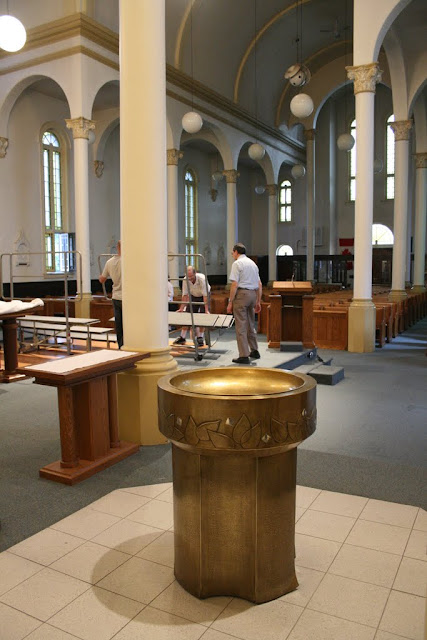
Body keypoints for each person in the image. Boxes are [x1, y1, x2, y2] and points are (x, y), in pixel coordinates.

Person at [227, 243, 262, 364]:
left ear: (236, 252)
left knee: (241, 325)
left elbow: (235, 284)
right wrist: (258, 301)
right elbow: (259, 284)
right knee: (250, 324)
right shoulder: (253, 264)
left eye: (232, 252)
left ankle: (244, 355)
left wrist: (230, 302)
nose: (232, 254)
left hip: (242, 295)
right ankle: (254, 350)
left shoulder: (237, 263)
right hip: (252, 294)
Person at [174, 265, 210, 346]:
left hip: (204, 295)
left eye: (191, 276)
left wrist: (206, 310)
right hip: (193, 295)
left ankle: (200, 337)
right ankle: (182, 337)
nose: (190, 278)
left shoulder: (202, 279)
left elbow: (205, 295)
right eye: (188, 276)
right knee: (188, 315)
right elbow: (185, 294)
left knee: (202, 315)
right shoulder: (185, 279)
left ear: (195, 273)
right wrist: (181, 308)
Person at [99, 241, 123, 349]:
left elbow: (102, 279)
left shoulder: (109, 262)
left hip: (116, 296)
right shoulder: (128, 261)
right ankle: (129, 344)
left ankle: (120, 345)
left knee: (119, 323)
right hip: (127, 297)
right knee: (129, 323)